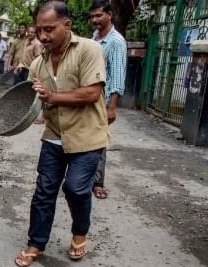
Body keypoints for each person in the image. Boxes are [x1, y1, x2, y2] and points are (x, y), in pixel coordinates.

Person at [14, 1, 110, 267]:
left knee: (76, 189)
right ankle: (36, 243)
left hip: (86, 135)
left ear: (67, 25)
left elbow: (92, 93)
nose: (43, 36)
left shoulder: (89, 50)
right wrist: (0, 119)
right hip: (54, 134)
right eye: (39, 30)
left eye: (49, 29)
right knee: (43, 191)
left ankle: (80, 233)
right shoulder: (38, 63)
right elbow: (30, 101)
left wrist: (53, 96)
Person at [90, 0, 127, 200]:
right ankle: (83, 177)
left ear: (109, 15)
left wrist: (112, 107)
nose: (95, 20)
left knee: (98, 141)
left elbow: (118, 76)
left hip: (103, 101)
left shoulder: (116, 42)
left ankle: (97, 182)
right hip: (89, 98)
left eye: (99, 15)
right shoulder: (95, 38)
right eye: (93, 16)